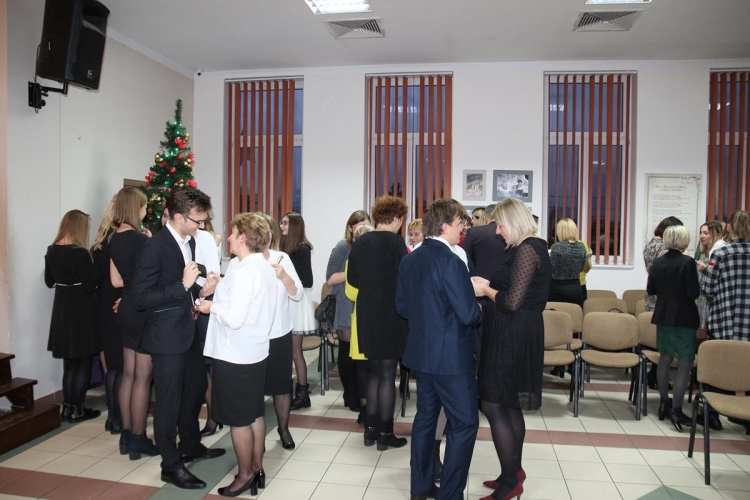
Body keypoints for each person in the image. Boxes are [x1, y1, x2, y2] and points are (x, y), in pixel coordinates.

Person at [133, 188, 224, 490]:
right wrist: (183, 285)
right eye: (198, 220)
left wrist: (201, 290)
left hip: (188, 331)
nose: (202, 225)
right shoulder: (154, 247)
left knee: (195, 389)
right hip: (166, 337)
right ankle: (170, 465)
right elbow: (142, 298)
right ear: (178, 216)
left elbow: (186, 288)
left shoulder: (190, 241)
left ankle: (190, 444)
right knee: (168, 402)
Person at [396, 198, 483, 500]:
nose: (463, 230)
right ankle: (450, 494)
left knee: (425, 419)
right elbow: (468, 314)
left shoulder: (410, 259)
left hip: (421, 354)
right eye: (460, 224)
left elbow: (401, 307)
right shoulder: (450, 261)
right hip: (450, 359)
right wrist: (478, 301)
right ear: (445, 226)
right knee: (465, 423)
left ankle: (420, 488)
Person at [471, 198, 551, 500]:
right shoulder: (523, 248)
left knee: (494, 404)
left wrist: (484, 289)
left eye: (500, 225)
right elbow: (514, 289)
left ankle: (510, 482)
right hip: (514, 330)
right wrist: (489, 283)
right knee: (508, 403)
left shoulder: (528, 249)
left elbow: (511, 302)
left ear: (514, 222)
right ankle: (512, 472)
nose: (497, 231)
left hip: (513, 332)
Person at [198, 213, 278, 497]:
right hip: (254, 352)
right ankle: (257, 469)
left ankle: (244, 475)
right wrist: (221, 286)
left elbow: (234, 318)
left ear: (244, 237)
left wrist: (211, 307)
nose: (228, 238)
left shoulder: (246, 271)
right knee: (254, 413)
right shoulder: (261, 266)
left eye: (232, 233)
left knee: (239, 420)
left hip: (235, 355)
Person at [346, 195, 409, 450]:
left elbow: (353, 279)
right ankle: (385, 433)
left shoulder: (361, 242)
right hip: (391, 313)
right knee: (387, 375)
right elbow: (404, 278)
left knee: (373, 373)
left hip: (367, 312)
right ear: (395, 218)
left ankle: (370, 431)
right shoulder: (396, 243)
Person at [109, 187, 158, 460]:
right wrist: (148, 242)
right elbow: (153, 276)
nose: (145, 211)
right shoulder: (141, 241)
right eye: (143, 206)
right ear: (133, 208)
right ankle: (139, 437)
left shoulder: (114, 238)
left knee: (128, 373)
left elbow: (116, 280)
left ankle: (126, 435)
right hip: (141, 309)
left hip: (126, 307)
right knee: (142, 376)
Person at [45, 210, 100, 422]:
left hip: (62, 310)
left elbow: (49, 281)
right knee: (83, 361)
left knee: (69, 363)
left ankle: (67, 408)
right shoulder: (81, 253)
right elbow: (89, 286)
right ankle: (78, 409)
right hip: (81, 311)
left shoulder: (52, 250)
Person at [647, 225, 700, 432]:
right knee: (685, 363)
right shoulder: (688, 262)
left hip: (663, 316)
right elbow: (693, 292)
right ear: (684, 240)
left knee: (665, 359)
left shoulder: (658, 262)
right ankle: (677, 410)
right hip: (684, 317)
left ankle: (664, 403)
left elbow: (651, 289)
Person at [259, 212, 303, 449]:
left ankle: (283, 428)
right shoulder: (240, 261)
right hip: (252, 335)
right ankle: (256, 433)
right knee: (254, 387)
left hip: (279, 333)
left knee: (282, 385)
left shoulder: (281, 258)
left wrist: (284, 276)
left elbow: (296, 294)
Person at [325, 210, 371, 412]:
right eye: (358, 226)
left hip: (364, 304)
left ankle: (361, 395)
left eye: (366, 225)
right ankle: (349, 394)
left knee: (361, 355)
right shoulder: (343, 246)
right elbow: (330, 279)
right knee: (346, 352)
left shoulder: (371, 246)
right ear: (350, 229)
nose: (362, 230)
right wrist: (353, 270)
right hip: (345, 303)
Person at [91, 197, 123, 433]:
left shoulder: (100, 242)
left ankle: (112, 417)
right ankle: (118, 417)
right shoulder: (119, 241)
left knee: (111, 366)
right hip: (118, 304)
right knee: (120, 367)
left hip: (104, 305)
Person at [281, 212, 317, 411]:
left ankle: (302, 394)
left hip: (296, 302)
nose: (282, 226)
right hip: (287, 301)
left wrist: (286, 277)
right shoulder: (284, 248)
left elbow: (307, 281)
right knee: (287, 352)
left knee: (295, 351)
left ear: (294, 226)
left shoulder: (302, 249)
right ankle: (286, 391)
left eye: (285, 223)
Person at [643, 216, 683, 390]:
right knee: (664, 340)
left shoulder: (650, 244)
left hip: (653, 296)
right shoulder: (663, 248)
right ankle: (656, 376)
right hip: (664, 297)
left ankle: (654, 374)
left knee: (658, 339)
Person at [548, 218, 589, 308]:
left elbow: (551, 268)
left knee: (557, 314)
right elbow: (582, 268)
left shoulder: (556, 247)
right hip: (575, 287)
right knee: (575, 314)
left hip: (557, 289)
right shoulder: (581, 246)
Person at [461, 203, 506, 281]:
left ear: (485, 218)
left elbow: (464, 257)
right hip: (504, 281)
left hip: (478, 280)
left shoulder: (473, 232)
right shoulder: (509, 232)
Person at [694, 221, 723, 339]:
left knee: (710, 331)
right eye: (701, 233)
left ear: (715, 234)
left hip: (712, 297)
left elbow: (718, 276)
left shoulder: (719, 254)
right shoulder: (699, 251)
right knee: (698, 330)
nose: (702, 236)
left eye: (705, 233)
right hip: (699, 295)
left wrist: (705, 270)